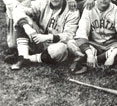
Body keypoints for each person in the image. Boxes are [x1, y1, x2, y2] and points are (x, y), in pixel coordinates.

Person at [11, 0, 80, 70]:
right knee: (23, 20)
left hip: (54, 44)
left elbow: (69, 35)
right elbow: (17, 11)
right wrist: (27, 27)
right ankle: (22, 56)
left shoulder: (72, 10)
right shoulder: (42, 3)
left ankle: (29, 59)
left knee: (61, 49)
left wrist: (48, 37)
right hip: (38, 39)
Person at [68, 0, 117, 74]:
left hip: (111, 45)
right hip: (94, 45)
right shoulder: (89, 7)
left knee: (114, 52)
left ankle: (84, 61)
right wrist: (90, 54)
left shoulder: (115, 10)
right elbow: (82, 32)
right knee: (71, 43)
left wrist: (112, 55)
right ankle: (99, 58)